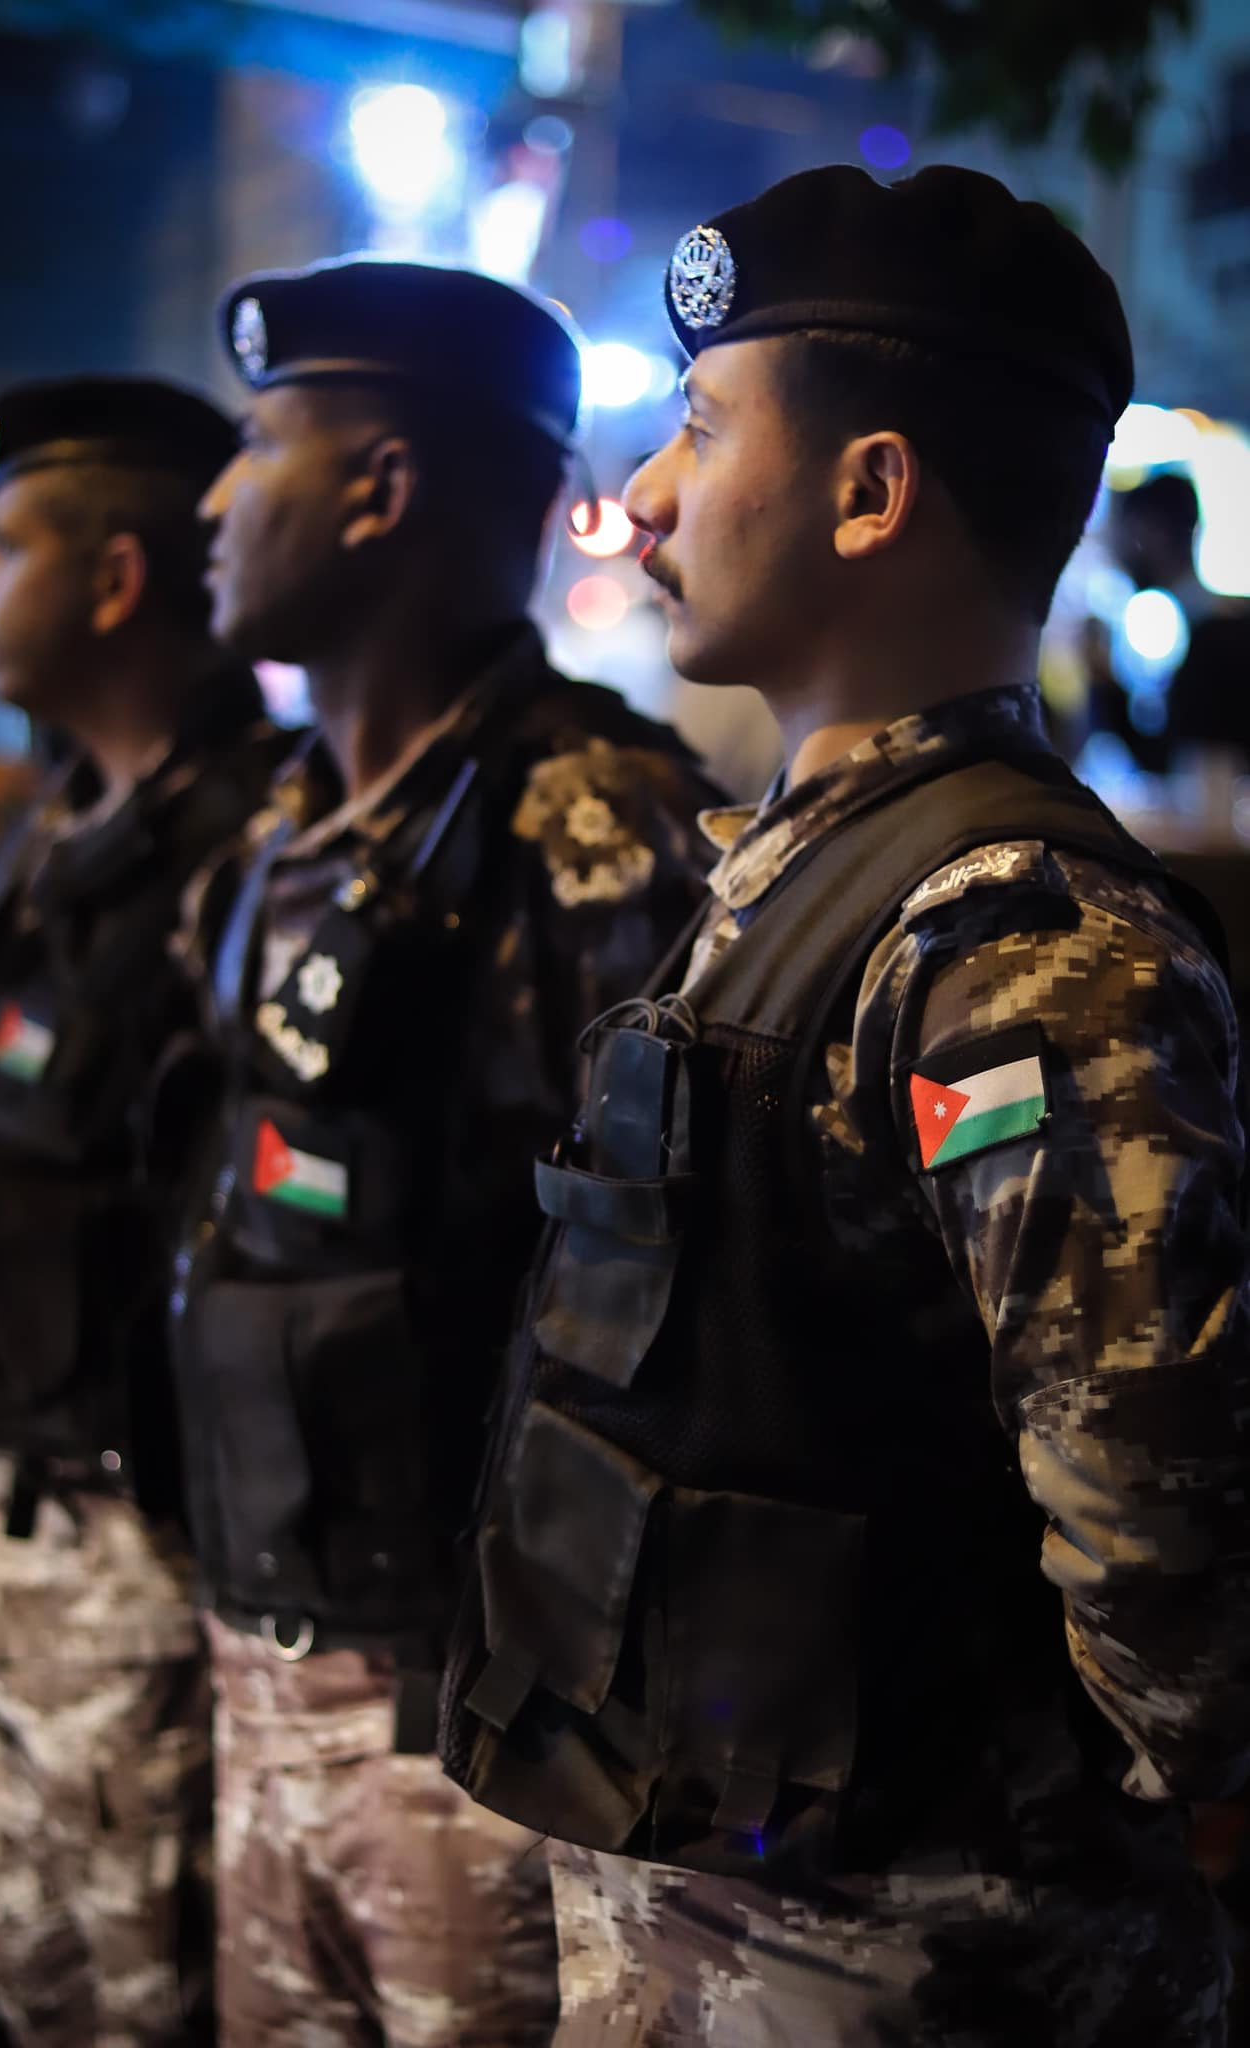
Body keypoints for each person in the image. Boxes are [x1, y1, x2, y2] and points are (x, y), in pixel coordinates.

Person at [440, 165, 1250, 2043]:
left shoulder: (1019, 946)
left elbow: (1163, 1566)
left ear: (871, 492)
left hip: (904, 1960)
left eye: (702, 427)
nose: (644, 492)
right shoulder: (807, 873)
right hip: (728, 1917)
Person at [174, 256, 720, 2046]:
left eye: (256, 447)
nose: (210, 503)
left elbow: (683, 1323)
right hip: (265, 1658)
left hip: (475, 1728)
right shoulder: (273, 829)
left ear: (380, 488)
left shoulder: (599, 830)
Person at [0, 377, 288, 2047]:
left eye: (4, 549)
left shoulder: (253, 849)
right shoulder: (52, 823)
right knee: (42, 1995)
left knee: (143, 2005)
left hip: (129, 1557)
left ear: (118, 578)